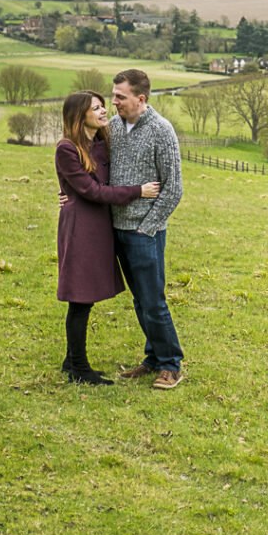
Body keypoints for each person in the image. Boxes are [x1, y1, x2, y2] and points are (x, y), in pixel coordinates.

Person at [56, 90, 159, 385]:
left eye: (103, 107)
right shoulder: (67, 149)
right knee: (80, 298)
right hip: (80, 228)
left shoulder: (99, 141)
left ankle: (70, 359)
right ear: (80, 116)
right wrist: (139, 190)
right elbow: (93, 191)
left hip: (99, 225)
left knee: (84, 296)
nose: (104, 112)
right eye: (97, 108)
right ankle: (77, 367)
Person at [108, 69, 185, 389]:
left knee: (153, 301)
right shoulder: (111, 127)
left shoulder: (161, 131)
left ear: (140, 99)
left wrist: (147, 228)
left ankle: (171, 364)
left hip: (144, 233)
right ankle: (153, 359)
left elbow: (174, 188)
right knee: (140, 300)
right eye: (113, 95)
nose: (114, 102)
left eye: (120, 97)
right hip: (116, 229)